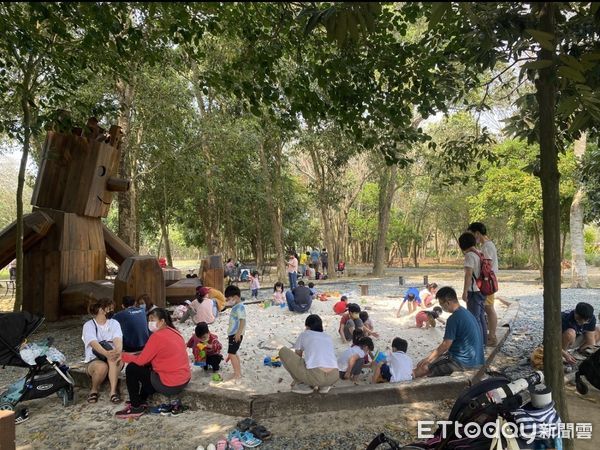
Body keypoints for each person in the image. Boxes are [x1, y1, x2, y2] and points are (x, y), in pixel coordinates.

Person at [116, 308, 191, 419]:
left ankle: (136, 407)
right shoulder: (175, 332)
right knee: (146, 366)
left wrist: (122, 356)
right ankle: (141, 400)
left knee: (132, 368)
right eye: (148, 320)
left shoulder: (157, 336)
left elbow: (141, 360)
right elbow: (153, 354)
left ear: (162, 321)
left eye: (152, 319)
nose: (149, 323)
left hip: (170, 384)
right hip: (184, 379)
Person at [413, 287, 484, 378]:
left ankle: (408, 376)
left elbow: (445, 345)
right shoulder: (466, 313)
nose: (442, 307)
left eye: (442, 304)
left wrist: (428, 359)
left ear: (448, 302)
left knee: (424, 367)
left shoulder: (454, 318)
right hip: (476, 359)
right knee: (436, 358)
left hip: (463, 362)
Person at [278, 314, 339, 394]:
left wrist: (299, 377)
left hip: (317, 376)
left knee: (283, 351)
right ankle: (324, 386)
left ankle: (303, 385)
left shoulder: (304, 334)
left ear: (307, 327)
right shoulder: (328, 337)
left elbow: (297, 356)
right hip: (334, 376)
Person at [81, 298, 123, 404]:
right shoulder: (89, 325)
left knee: (114, 359)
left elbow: (118, 339)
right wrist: (106, 353)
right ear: (100, 309)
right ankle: (94, 390)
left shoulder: (114, 323)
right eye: (109, 308)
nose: (111, 311)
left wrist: (118, 350)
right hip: (95, 358)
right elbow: (93, 343)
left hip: (112, 354)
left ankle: (113, 392)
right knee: (101, 367)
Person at [468, 222, 503, 346]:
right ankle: (490, 336)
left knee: (488, 308)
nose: (472, 238)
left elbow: (486, 266)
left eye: (472, 234)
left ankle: (492, 337)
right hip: (488, 282)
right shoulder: (487, 245)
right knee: (488, 308)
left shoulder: (487, 246)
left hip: (487, 283)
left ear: (477, 233)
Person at [458, 231, 487, 346]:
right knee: (480, 317)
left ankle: (477, 345)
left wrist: (465, 291)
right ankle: (483, 343)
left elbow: (468, 275)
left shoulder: (470, 255)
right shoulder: (479, 253)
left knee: (474, 319)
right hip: (482, 290)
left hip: (474, 291)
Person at [224, 285, 246, 381]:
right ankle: (238, 371)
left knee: (232, 354)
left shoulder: (240, 307)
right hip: (232, 334)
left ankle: (237, 374)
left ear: (235, 297)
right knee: (233, 353)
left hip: (235, 334)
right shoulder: (236, 306)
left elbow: (242, 321)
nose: (228, 301)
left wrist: (238, 333)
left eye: (229, 299)